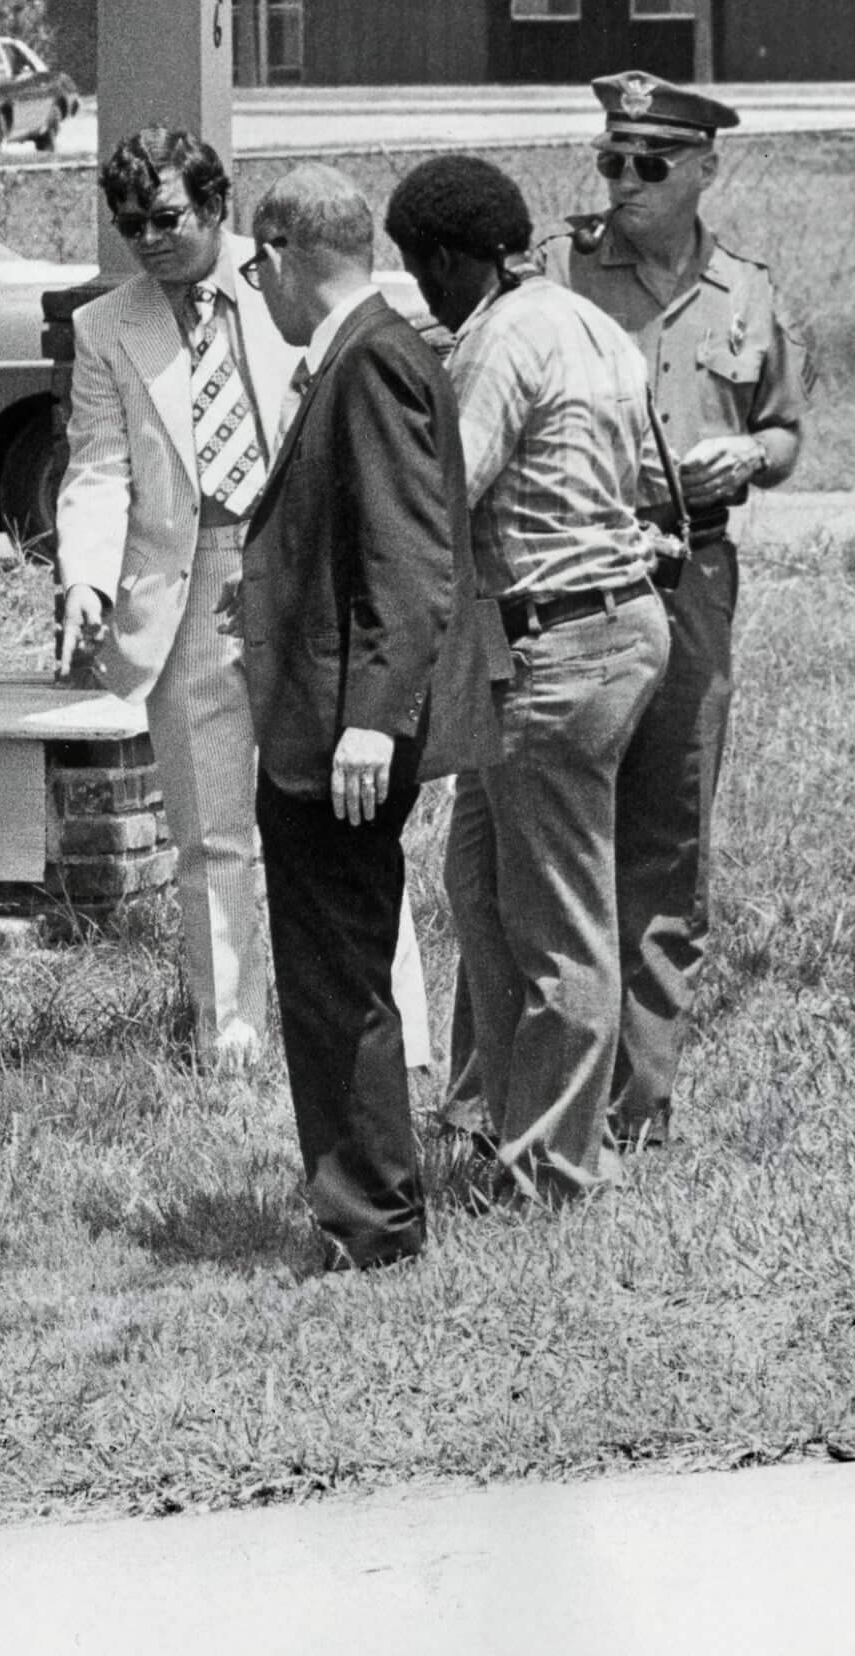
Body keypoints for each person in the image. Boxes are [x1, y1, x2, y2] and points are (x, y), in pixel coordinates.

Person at [388, 155, 673, 1202]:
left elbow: (442, 496)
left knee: (557, 924)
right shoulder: (591, 322)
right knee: (477, 884)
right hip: (597, 632)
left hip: (556, 648)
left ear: (452, 260)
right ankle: (495, 1119)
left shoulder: (497, 339)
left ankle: (552, 1170)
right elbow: (650, 481)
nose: (423, 294)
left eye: (422, 273)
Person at [546, 71, 808, 1150]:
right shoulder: (560, 274)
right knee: (560, 838)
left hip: (692, 575)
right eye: (610, 159)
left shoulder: (745, 290)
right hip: (576, 575)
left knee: (665, 838)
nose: (622, 182)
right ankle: (540, 1092)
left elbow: (786, 430)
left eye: (649, 164)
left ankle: (636, 1104)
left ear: (704, 169)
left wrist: (748, 451)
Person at [238, 165, 492, 1269]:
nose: (258, 288)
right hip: (325, 718)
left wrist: (371, 718)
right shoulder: (369, 350)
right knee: (331, 968)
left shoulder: (371, 357)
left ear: (290, 247)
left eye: (257, 265)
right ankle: (361, 1208)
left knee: (337, 975)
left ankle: (372, 1223)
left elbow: (409, 556)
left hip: (342, 735)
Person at [55, 126, 293, 1070]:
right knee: (213, 835)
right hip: (190, 587)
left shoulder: (291, 283)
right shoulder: (107, 328)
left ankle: (386, 1039)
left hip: (300, 574)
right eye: (128, 226)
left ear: (215, 203)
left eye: (165, 218)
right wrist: (85, 578)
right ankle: (231, 1041)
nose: (148, 240)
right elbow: (98, 468)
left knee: (342, 821)